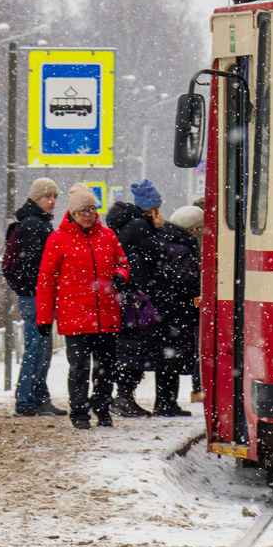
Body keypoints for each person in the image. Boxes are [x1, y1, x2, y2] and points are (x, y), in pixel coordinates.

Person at [36, 182, 128, 430]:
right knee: (79, 367)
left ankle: (102, 405)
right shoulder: (57, 239)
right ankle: (79, 411)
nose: (87, 215)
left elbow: (122, 262)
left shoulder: (108, 236)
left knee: (106, 367)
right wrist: (44, 318)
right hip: (74, 316)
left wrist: (120, 275)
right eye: (81, 211)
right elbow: (46, 281)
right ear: (72, 213)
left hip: (106, 313)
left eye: (91, 210)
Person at [109, 179, 190, 418]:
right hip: (142, 299)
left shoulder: (129, 225)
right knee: (136, 350)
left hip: (133, 297)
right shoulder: (140, 227)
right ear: (151, 207)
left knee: (135, 349)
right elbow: (158, 257)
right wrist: (159, 230)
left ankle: (128, 398)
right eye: (157, 206)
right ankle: (126, 399)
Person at [3, 177, 64, 417]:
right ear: (36, 198)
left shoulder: (36, 222)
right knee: (37, 348)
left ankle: (37, 397)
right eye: (48, 196)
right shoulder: (34, 224)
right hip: (37, 296)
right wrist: (36, 289)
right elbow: (35, 264)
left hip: (36, 295)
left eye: (55, 197)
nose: (52, 201)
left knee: (42, 348)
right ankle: (27, 399)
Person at [162, 205, 204, 403]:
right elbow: (184, 281)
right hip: (181, 311)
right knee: (175, 358)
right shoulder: (184, 250)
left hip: (171, 310)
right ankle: (168, 402)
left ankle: (167, 401)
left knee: (169, 359)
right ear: (192, 230)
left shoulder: (169, 242)